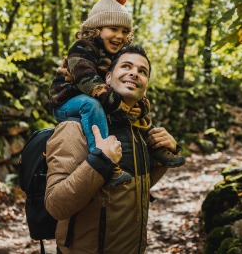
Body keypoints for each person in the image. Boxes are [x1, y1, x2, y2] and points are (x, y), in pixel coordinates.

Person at [45, 45, 180, 253]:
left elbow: (133, 189)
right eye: (126, 66)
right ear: (107, 78)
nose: (134, 73)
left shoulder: (137, 128)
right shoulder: (75, 127)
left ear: (146, 85)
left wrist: (167, 152)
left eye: (142, 71)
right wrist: (101, 161)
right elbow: (56, 205)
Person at [48, 0, 184, 187]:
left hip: (98, 98)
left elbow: (125, 87)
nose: (119, 36)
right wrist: (115, 103)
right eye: (113, 29)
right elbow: (86, 79)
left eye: (124, 31)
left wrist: (139, 107)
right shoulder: (83, 47)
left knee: (131, 104)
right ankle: (105, 161)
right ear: (97, 29)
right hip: (68, 100)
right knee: (91, 106)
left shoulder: (117, 56)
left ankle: (156, 148)